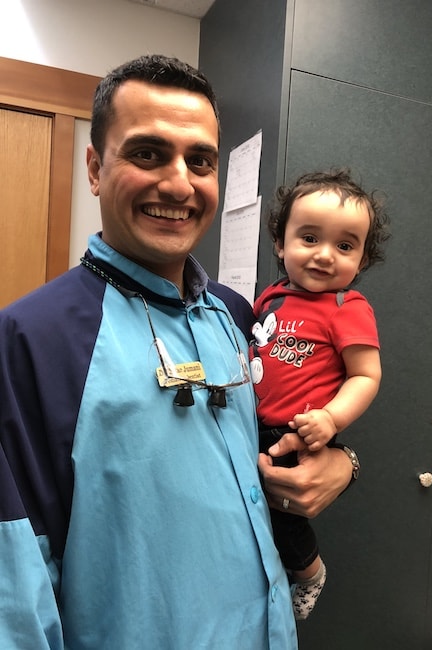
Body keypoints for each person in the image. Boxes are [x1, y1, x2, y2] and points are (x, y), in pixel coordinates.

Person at [0, 55, 355, 649]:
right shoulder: (31, 340)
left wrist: (343, 464)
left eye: (200, 160)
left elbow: (286, 426)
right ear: (94, 167)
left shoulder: (237, 315)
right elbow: (17, 584)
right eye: (147, 154)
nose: (179, 183)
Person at [250, 169, 390, 620]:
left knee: (284, 517)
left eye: (345, 246)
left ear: (363, 259)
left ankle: (310, 573)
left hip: (299, 431)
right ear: (280, 242)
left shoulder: (346, 307)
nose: (325, 255)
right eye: (309, 238)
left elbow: (366, 375)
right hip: (251, 424)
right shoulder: (268, 298)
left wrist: (331, 420)